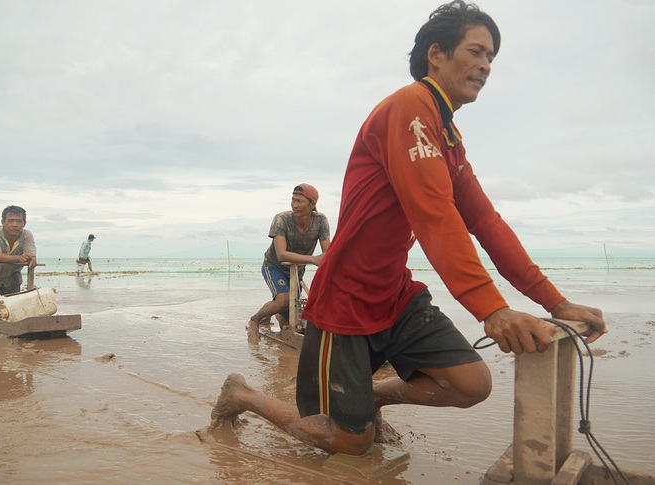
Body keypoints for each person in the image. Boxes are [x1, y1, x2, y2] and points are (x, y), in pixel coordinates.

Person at [211, 1, 607, 456]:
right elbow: (435, 217)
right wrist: (492, 310)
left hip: (393, 292)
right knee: (348, 443)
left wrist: (556, 301)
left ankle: (372, 396)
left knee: (471, 383)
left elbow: (486, 222)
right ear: (436, 54)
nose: (485, 66)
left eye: (491, 58)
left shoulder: (447, 135)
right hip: (346, 302)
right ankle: (242, 395)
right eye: (476, 52)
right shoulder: (410, 109)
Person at [247, 184, 331, 342]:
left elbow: (328, 252)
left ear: (312, 205)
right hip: (274, 267)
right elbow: (281, 255)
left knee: (290, 316)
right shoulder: (281, 219)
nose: (295, 205)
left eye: (300, 201)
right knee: (284, 300)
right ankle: (255, 319)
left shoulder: (320, 221)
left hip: (297, 270)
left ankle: (274, 314)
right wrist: (313, 259)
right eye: (293, 200)